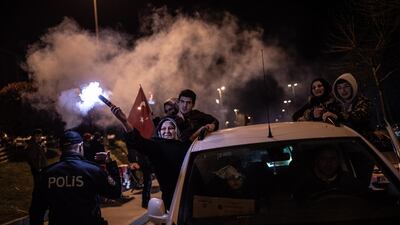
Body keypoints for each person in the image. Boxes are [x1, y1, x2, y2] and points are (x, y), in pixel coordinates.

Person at [29, 130, 121, 225]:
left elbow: (36, 211)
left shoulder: (46, 174)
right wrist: (110, 164)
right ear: (81, 146)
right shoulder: (93, 170)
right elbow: (116, 192)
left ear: (60, 149)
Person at [111, 106, 193, 210]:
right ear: (159, 132)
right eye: (163, 129)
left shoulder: (186, 146)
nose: (166, 131)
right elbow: (137, 141)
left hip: (193, 195)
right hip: (172, 200)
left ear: (176, 130)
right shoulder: (157, 146)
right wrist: (124, 121)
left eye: (170, 128)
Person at [293, 147, 364, 204]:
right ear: (317, 161)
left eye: (333, 159)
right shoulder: (305, 183)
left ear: (338, 161)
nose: (328, 163)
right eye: (323, 158)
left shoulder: (348, 180)